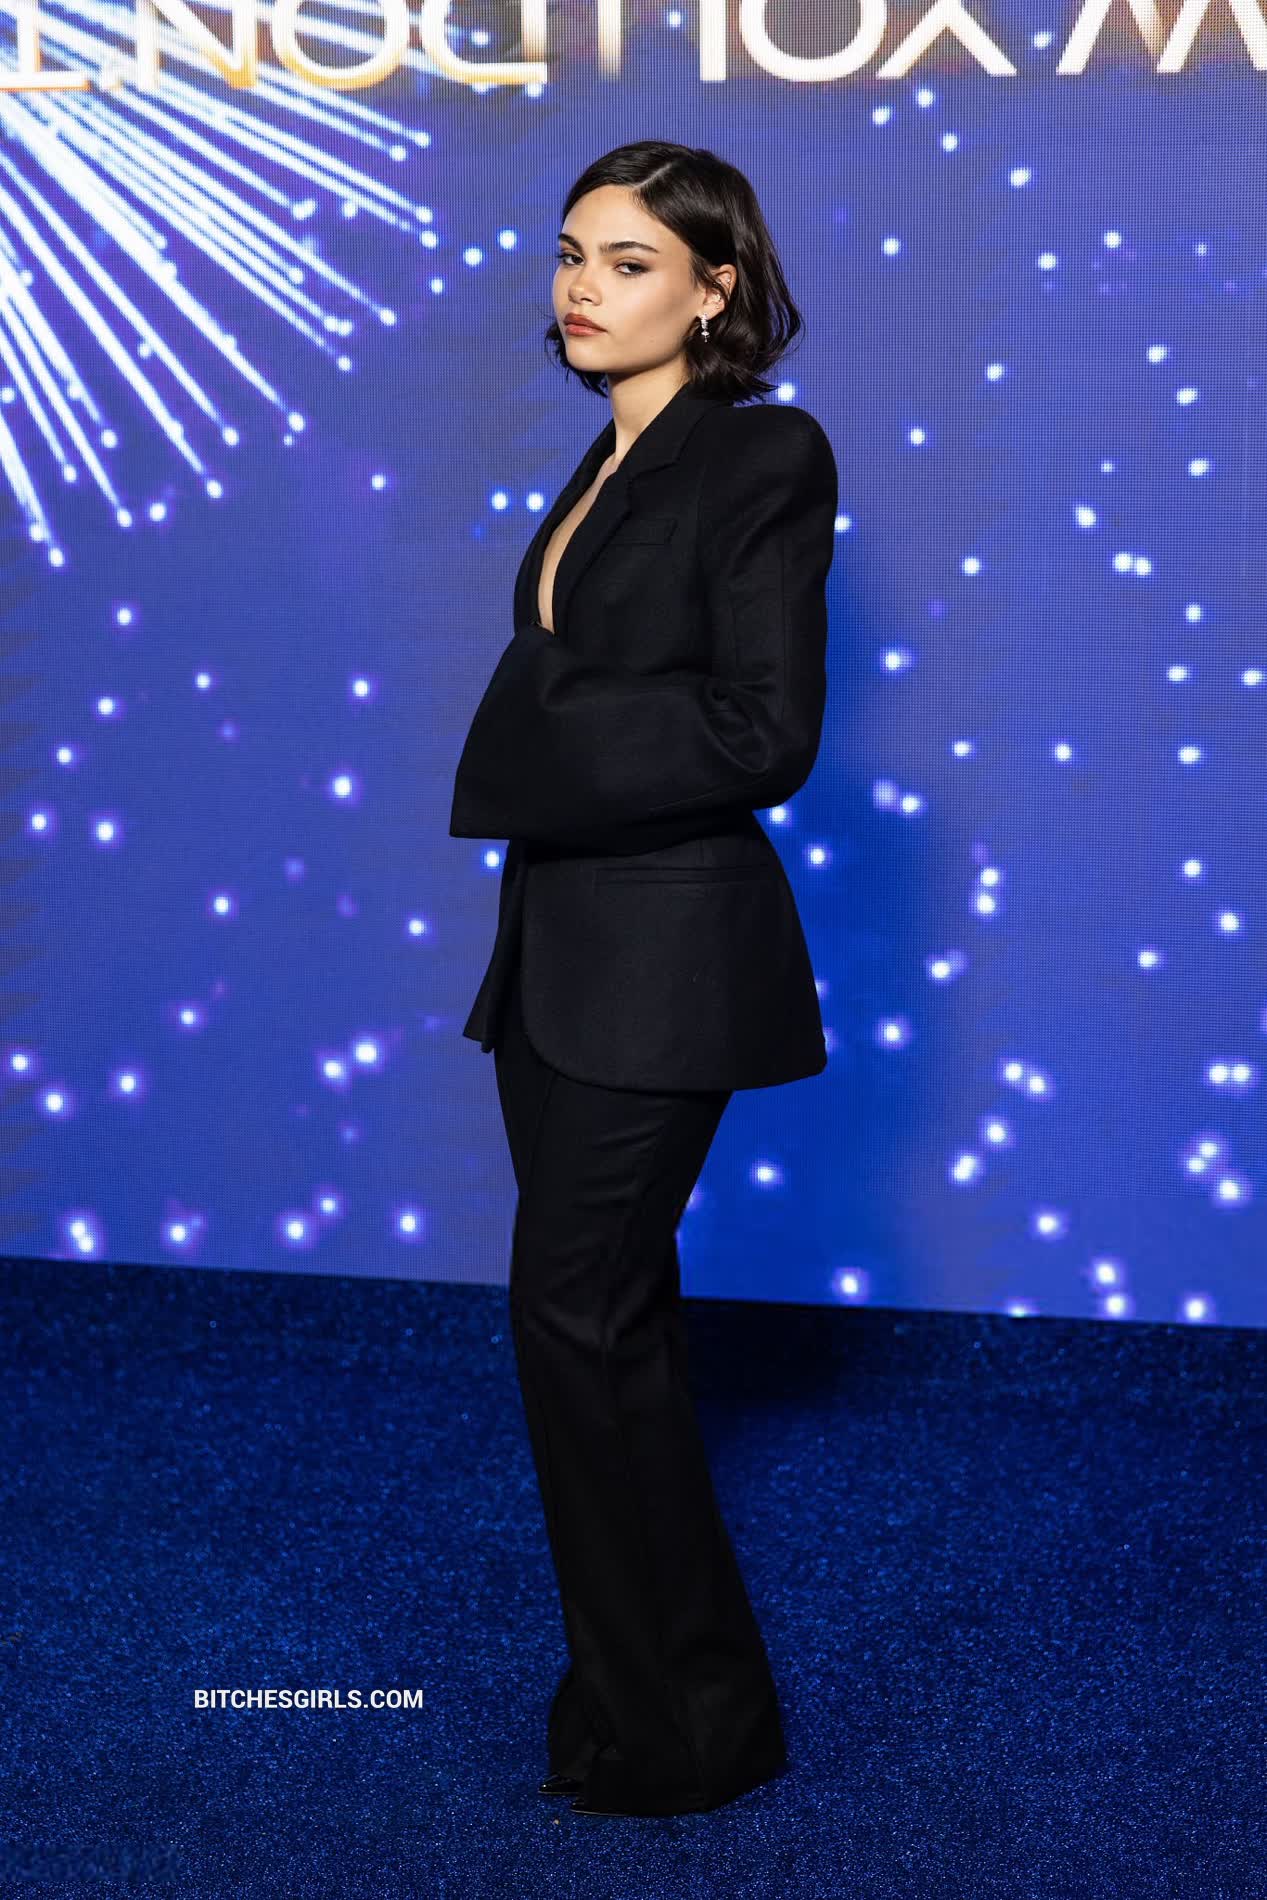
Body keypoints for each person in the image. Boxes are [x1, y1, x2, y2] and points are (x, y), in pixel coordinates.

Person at [449, 140, 839, 1818]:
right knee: (600, 1330)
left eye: (627, 262)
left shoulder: (762, 451)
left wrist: (528, 730)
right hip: (555, 957)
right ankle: (643, 1694)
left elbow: (768, 731)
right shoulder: (601, 461)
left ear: (714, 288)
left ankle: (689, 1721)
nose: (581, 288)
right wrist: (545, 747)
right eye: (570, 255)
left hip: (668, 960)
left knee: (578, 1315)